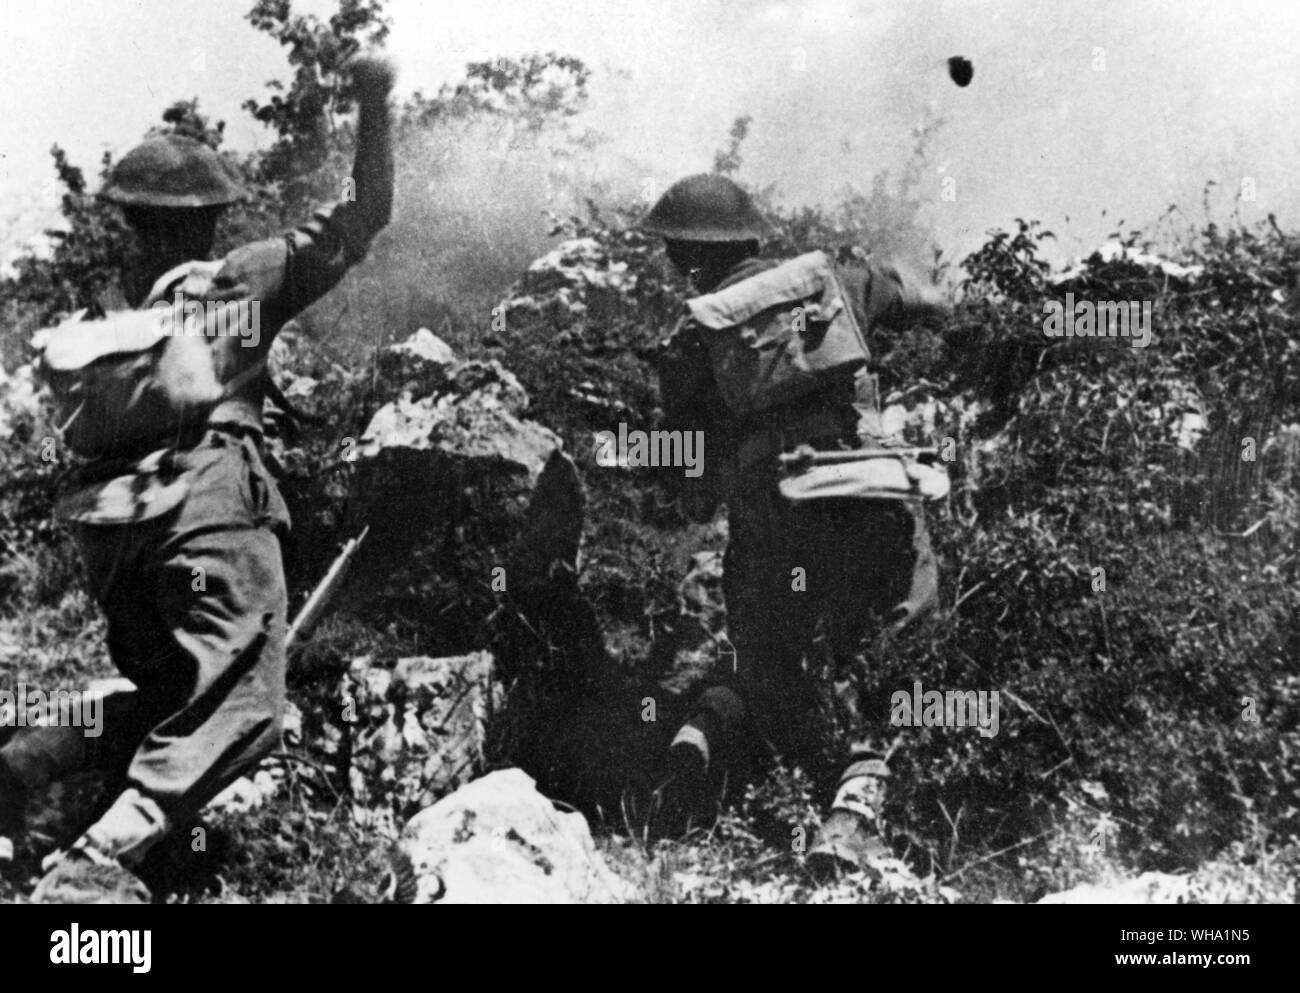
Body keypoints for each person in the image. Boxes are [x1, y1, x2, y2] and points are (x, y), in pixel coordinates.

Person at [0, 55, 395, 904]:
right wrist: (374, 99)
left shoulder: (118, 321)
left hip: (113, 534)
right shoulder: (239, 281)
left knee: (167, 691)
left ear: (135, 223)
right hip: (210, 512)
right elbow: (369, 214)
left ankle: (22, 765)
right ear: (213, 216)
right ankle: (97, 865)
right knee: (244, 708)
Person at [641, 173, 950, 874]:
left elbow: (692, 481)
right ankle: (853, 811)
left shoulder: (691, 340)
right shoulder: (832, 278)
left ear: (687, 255)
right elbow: (925, 297)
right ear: (752, 236)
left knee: (768, 652)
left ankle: (711, 730)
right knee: (904, 634)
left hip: (773, 514)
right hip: (866, 494)